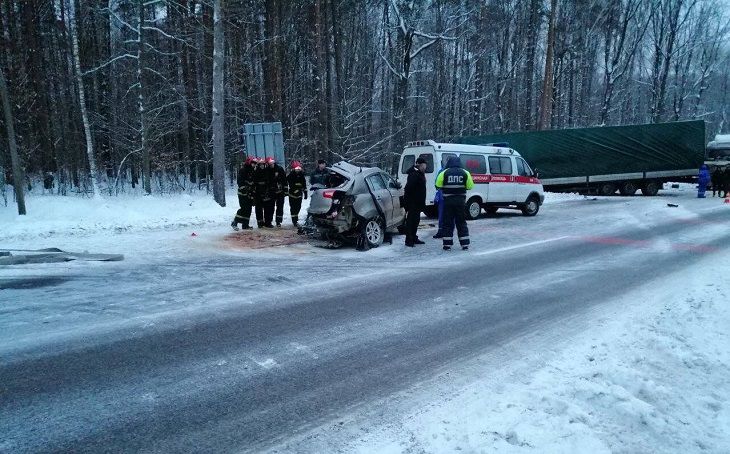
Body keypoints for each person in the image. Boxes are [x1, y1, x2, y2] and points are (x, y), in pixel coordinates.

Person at [435, 156, 474, 251]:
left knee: (447, 223)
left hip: (448, 202)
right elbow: (470, 186)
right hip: (460, 202)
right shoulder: (465, 172)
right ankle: (464, 244)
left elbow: (437, 185)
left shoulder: (444, 172)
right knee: (461, 222)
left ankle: (447, 245)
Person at [403, 157, 428, 247]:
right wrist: (408, 203)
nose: (425, 167)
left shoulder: (419, 173)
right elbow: (409, 188)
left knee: (416, 221)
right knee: (411, 221)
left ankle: (413, 237)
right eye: (424, 165)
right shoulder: (414, 174)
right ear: (420, 165)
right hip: (412, 203)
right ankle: (409, 240)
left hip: (417, 202)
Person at [231, 157, 255, 230]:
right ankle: (235, 222)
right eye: (253, 163)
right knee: (244, 208)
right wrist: (244, 189)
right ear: (249, 163)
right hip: (243, 193)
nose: (254, 165)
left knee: (249, 209)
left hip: (250, 193)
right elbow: (240, 182)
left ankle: (245, 225)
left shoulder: (252, 171)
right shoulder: (243, 170)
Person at [254, 157, 275, 228]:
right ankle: (260, 223)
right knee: (259, 209)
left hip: (267, 193)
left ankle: (268, 222)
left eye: (263, 164)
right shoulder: (256, 172)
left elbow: (271, 181)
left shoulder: (268, 171)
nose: (262, 166)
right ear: (258, 165)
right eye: (260, 164)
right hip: (258, 194)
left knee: (268, 209)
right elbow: (254, 183)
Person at [287, 161, 308, 227]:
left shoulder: (302, 175)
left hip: (299, 195)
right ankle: (294, 221)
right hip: (292, 195)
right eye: (296, 168)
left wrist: (305, 193)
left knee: (298, 207)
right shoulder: (290, 175)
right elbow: (291, 185)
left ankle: (296, 218)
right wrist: (298, 187)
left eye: (299, 168)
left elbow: (304, 185)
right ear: (293, 169)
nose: (298, 170)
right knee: (293, 208)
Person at [269, 157, 288, 227]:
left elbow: (284, 180)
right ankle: (269, 221)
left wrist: (286, 190)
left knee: (280, 207)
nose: (271, 165)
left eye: (272, 163)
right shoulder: (268, 170)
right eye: (270, 164)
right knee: (271, 207)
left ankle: (278, 221)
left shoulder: (279, 169)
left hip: (280, 191)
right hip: (272, 192)